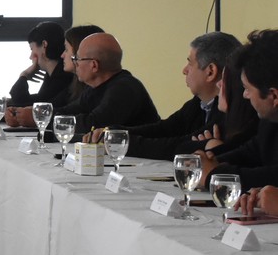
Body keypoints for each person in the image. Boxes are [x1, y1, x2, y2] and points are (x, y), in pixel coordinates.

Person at [95, 32, 239, 160]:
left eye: (190, 63)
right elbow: (166, 129)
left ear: (210, 71)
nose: (184, 70)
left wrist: (119, 142)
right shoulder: (198, 103)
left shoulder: (231, 110)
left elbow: (175, 146)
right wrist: (114, 132)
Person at [198, 29, 278, 190]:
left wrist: (214, 175)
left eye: (247, 89)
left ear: (274, 96)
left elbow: (273, 175)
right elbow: (252, 151)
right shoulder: (270, 121)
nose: (244, 95)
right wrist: (209, 160)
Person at [48, 32, 160, 134]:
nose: (75, 63)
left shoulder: (124, 89)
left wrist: (52, 121)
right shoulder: (94, 88)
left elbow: (92, 126)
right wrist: (44, 116)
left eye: (77, 59)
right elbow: (67, 111)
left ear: (94, 65)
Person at [6, 24, 103, 128]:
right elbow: (57, 108)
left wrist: (23, 76)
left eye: (66, 49)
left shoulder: (64, 76)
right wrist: (16, 113)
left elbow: (88, 121)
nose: (62, 55)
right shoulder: (76, 82)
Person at [8, 21, 74, 108]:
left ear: (44, 45)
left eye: (32, 49)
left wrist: (24, 75)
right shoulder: (54, 75)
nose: (30, 56)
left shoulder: (62, 76)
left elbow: (23, 103)